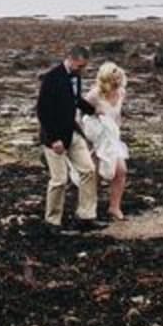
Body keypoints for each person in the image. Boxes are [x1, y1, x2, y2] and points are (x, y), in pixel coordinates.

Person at [35, 44, 98, 229]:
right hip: (53, 137)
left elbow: (75, 99)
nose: (82, 69)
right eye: (80, 66)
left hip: (72, 132)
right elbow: (42, 111)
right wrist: (54, 139)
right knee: (60, 180)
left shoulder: (76, 76)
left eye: (84, 66)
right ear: (70, 59)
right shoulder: (51, 78)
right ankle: (52, 221)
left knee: (88, 170)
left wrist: (94, 111)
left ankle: (86, 215)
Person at [81, 62, 130, 220]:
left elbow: (117, 115)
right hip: (96, 136)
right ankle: (89, 207)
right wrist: (86, 139)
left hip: (111, 136)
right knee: (94, 174)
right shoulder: (94, 94)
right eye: (114, 79)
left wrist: (117, 133)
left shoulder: (121, 92)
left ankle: (114, 207)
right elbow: (82, 113)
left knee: (121, 170)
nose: (117, 82)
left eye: (119, 78)